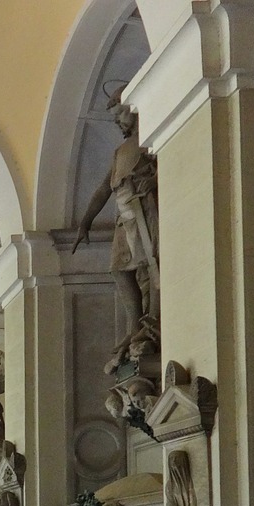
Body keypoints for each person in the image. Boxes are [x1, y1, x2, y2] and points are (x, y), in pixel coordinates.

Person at [72, 86, 158, 329]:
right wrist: (85, 221)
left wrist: (152, 181)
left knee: (149, 265)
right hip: (124, 216)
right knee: (119, 269)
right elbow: (103, 189)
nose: (118, 122)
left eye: (120, 114)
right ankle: (134, 326)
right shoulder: (120, 151)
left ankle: (153, 318)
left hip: (143, 209)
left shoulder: (149, 138)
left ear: (134, 110)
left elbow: (168, 168)